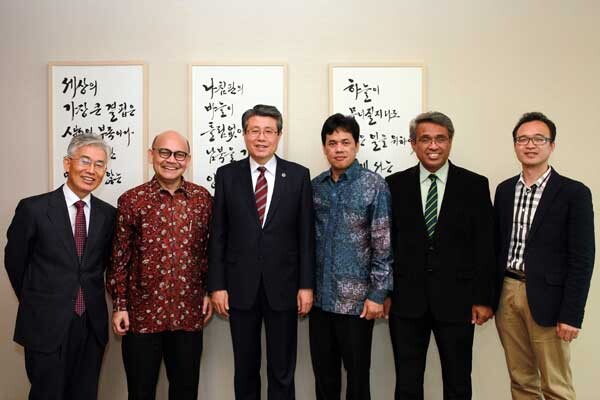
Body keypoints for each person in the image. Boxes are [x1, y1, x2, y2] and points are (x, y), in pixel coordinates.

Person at [385, 111, 496, 400]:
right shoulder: (394, 185)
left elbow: (486, 246)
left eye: (440, 139)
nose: (433, 146)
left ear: (450, 142)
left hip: (458, 301)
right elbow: (386, 244)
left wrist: (484, 298)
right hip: (406, 302)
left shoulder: (475, 185)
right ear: (413, 143)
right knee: (407, 383)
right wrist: (384, 292)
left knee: (458, 382)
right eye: (425, 139)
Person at [208, 104, 315, 400]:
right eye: (254, 130)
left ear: (279, 135)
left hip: (285, 287)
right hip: (240, 287)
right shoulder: (227, 175)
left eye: (268, 131)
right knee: (245, 368)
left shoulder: (298, 176)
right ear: (244, 135)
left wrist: (306, 286)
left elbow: (306, 236)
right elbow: (218, 234)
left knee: (282, 369)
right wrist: (217, 285)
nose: (261, 137)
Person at [5, 133, 116, 400]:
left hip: (90, 324)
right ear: (68, 163)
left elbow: (103, 264)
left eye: (99, 164)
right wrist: (38, 300)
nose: (91, 170)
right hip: (45, 323)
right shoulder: (34, 209)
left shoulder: (108, 214)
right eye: (85, 161)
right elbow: (15, 263)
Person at [494, 112, 595, 399]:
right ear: (515, 145)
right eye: (523, 139)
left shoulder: (574, 193)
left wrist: (572, 314)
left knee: (556, 385)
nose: (530, 145)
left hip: (550, 298)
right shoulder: (505, 190)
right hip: (507, 292)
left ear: (552, 145)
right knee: (521, 380)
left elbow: (582, 258)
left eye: (539, 139)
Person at [107, 130, 213, 400]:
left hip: (188, 314)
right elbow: (119, 258)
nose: (171, 160)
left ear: (187, 160)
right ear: (151, 155)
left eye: (179, 154)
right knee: (140, 392)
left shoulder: (202, 200)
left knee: (185, 392)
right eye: (164, 152)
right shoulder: (132, 200)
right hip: (141, 317)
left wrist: (208, 292)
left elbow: (210, 252)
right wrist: (120, 306)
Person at [310, 113, 393, 400]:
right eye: (332, 143)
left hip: (357, 303)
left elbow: (383, 243)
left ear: (357, 145)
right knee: (324, 378)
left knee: (357, 379)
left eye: (345, 142)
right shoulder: (316, 187)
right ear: (324, 147)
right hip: (320, 301)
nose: (339, 149)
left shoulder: (374, 185)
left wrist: (378, 294)